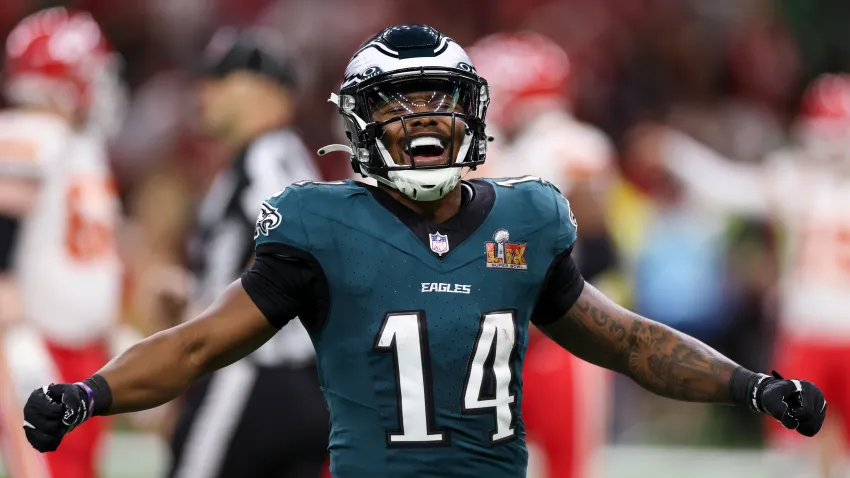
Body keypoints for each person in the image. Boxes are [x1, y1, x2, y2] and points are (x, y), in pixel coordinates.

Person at [23, 24, 826, 478]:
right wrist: (90, 393)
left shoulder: (528, 217)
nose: (424, 122)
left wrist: (749, 385)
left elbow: (628, 340)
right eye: (399, 106)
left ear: (472, 114)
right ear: (360, 124)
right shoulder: (319, 225)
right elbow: (199, 342)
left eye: (438, 102)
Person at [626, 72, 850, 478]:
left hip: (807, 328)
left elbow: (727, 186)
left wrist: (676, 151)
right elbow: (729, 187)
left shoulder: (796, 177)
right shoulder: (797, 178)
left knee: (797, 453)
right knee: (800, 453)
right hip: (808, 329)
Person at [160, 27, 329, 478]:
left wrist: (219, 315)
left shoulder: (265, 157)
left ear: (265, 90)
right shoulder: (282, 156)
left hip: (250, 375)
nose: (206, 91)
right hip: (298, 383)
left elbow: (301, 244)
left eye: (222, 77)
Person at [467, 31, 616, 478]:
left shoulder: (568, 146)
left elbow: (597, 241)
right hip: (496, 330)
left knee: (565, 460)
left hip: (557, 332)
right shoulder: (503, 151)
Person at [0, 7, 127, 478]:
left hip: (83, 348)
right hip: (38, 341)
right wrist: (14, 335)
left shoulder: (80, 146)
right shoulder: (29, 134)